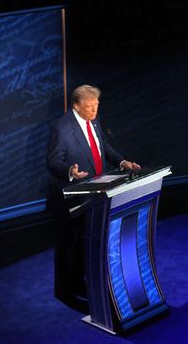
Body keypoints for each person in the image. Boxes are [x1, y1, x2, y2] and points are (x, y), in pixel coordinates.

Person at [46, 84, 140, 311]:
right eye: (89, 107)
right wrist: (70, 171)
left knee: (83, 243)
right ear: (76, 106)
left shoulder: (94, 119)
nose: (94, 111)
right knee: (68, 245)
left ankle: (79, 283)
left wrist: (121, 162)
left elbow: (102, 146)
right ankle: (64, 291)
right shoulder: (62, 127)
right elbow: (53, 161)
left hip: (93, 193)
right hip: (69, 197)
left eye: (97, 105)